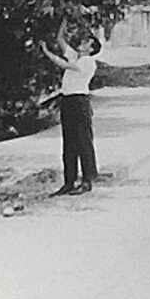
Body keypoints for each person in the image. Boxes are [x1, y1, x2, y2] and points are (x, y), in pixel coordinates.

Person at [40, 19, 104, 196]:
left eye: (86, 43)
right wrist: (63, 22)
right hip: (68, 100)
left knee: (83, 141)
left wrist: (47, 52)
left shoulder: (88, 62)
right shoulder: (77, 56)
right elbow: (61, 41)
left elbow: (64, 64)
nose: (82, 44)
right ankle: (69, 181)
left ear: (91, 49)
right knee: (69, 142)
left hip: (79, 101)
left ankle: (87, 180)